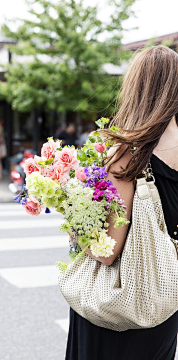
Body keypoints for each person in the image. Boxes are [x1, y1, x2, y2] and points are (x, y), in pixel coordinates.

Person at [65, 45, 178, 360]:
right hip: (163, 305)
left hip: (116, 309)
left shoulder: (127, 154)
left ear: (134, 87)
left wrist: (72, 204)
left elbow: (105, 251)